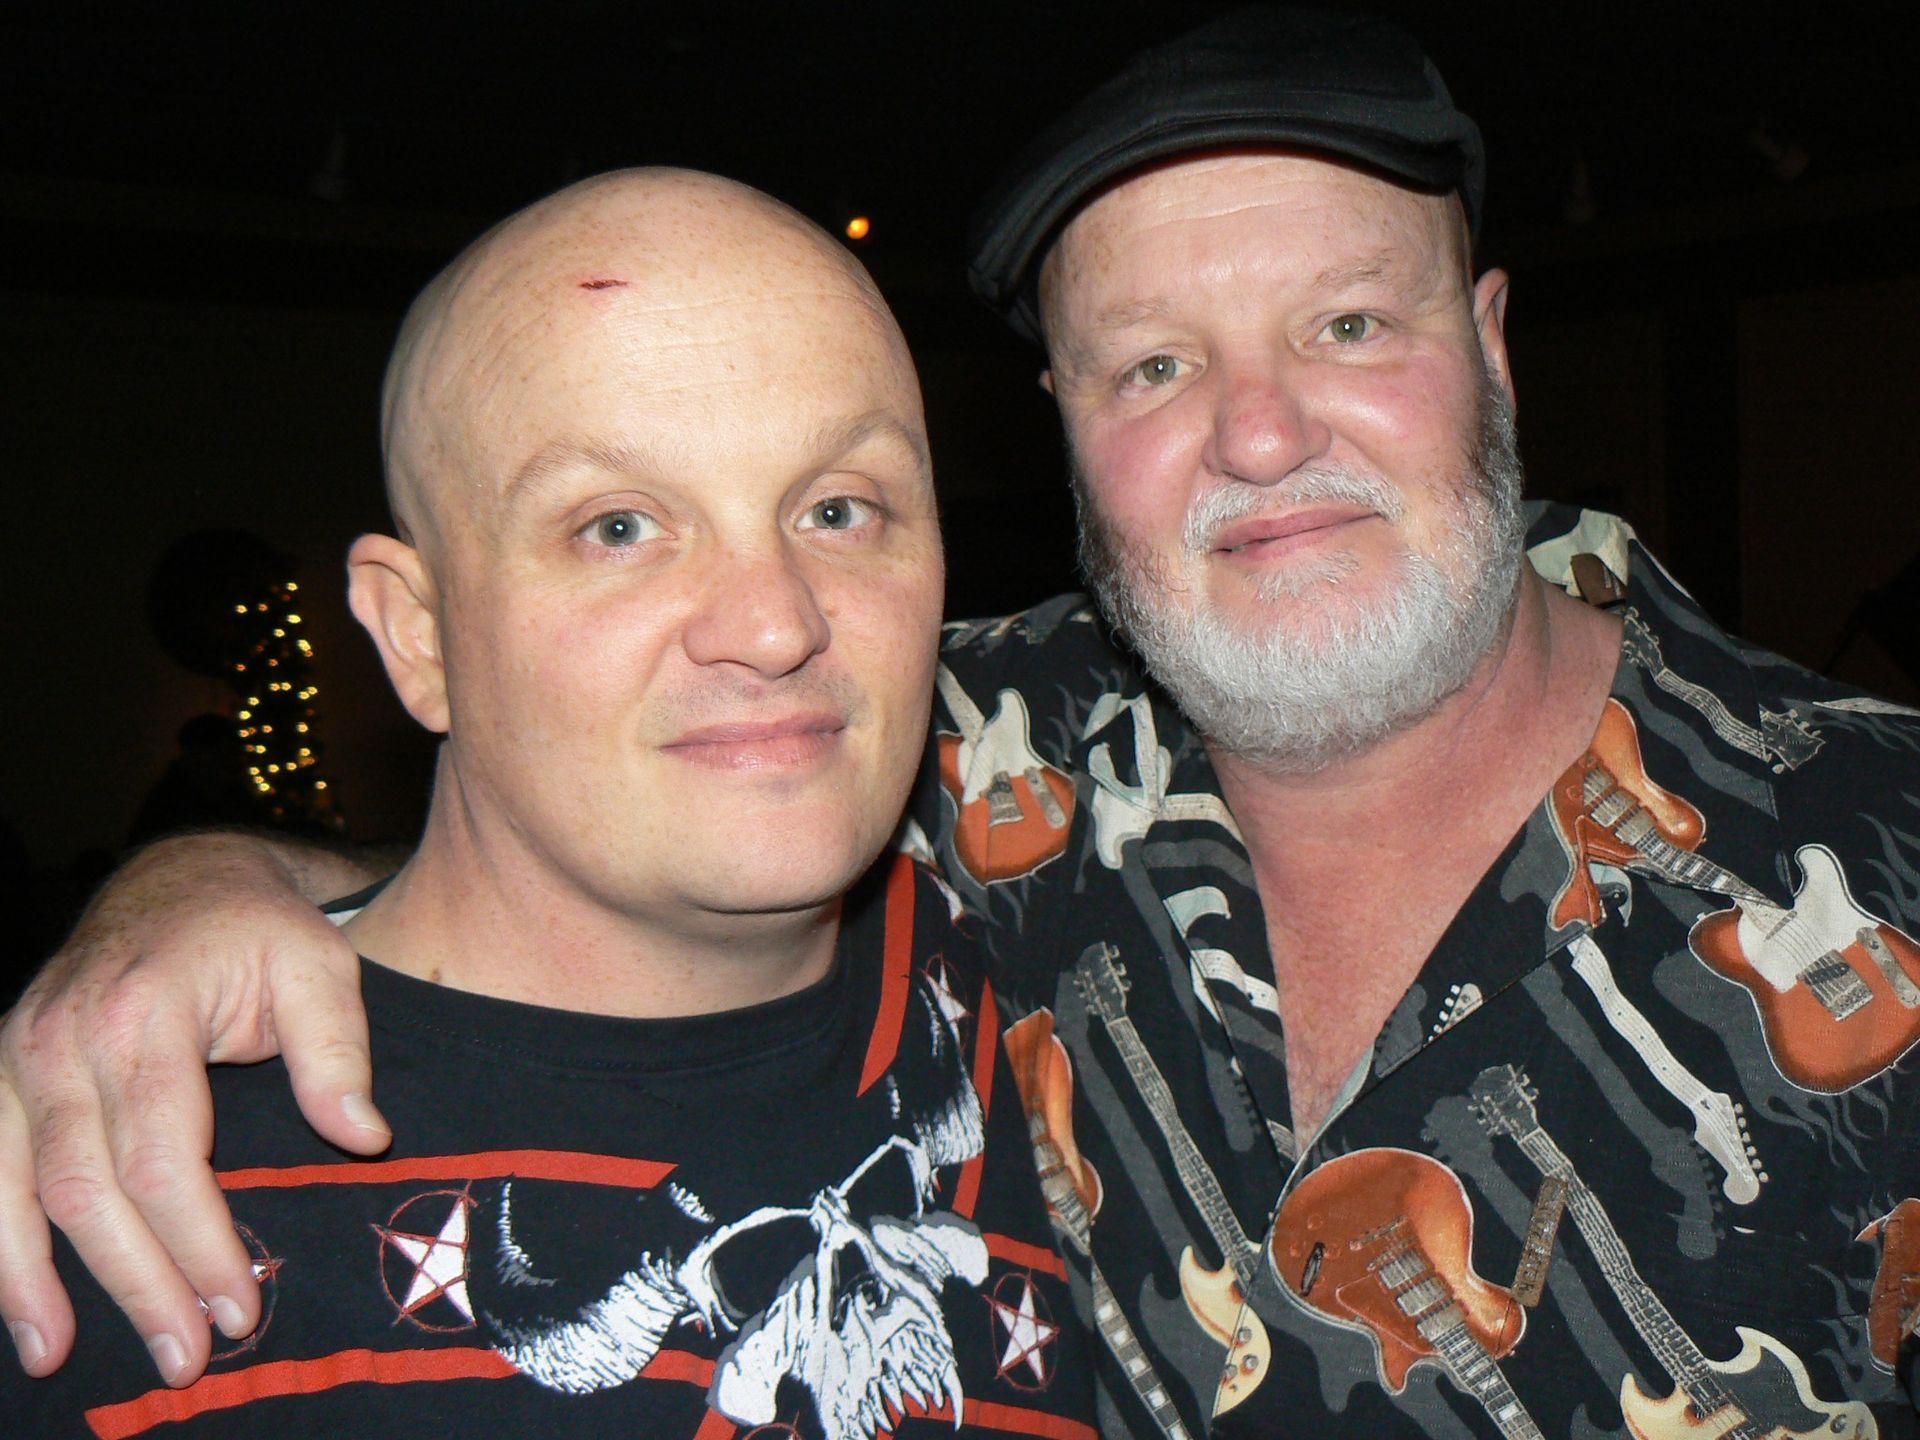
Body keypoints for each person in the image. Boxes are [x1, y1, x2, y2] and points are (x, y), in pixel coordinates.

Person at [6, 8, 1920, 1437]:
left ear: (1491, 348)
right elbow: (587, 825)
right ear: (1070, 439)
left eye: (1349, 327)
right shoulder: (983, 758)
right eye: (1155, 364)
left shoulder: (1883, 842)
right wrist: (184, 896)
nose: (1260, 434)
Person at [0, 167, 1099, 1439]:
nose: (774, 621)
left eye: (840, 508)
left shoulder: (1046, 959)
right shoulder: (121, 1201)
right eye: (618, 527)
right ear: (417, 636)